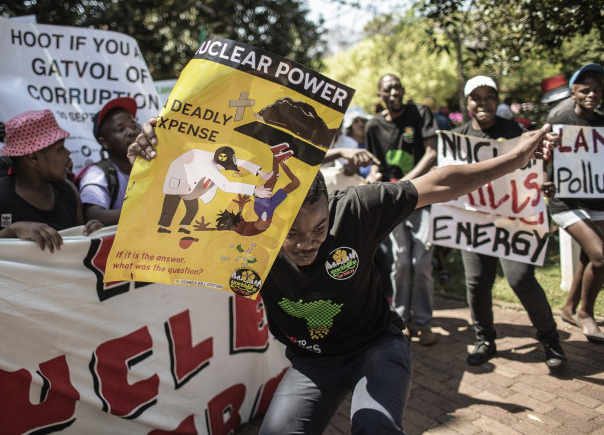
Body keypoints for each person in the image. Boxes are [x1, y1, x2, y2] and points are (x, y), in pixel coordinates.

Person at [128, 114, 559, 433]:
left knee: (375, 429)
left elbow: (440, 183)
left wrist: (515, 158)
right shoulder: (239, 235)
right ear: (267, 225)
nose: (307, 244)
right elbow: (159, 219)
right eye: (291, 235)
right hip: (312, 363)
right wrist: (153, 156)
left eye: (318, 229)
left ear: (330, 208)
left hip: (377, 346)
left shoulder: (357, 208)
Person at [454, 76, 566, 367]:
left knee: (520, 278)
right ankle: (485, 339)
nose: (483, 103)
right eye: (475, 97)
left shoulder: (515, 131)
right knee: (477, 282)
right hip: (474, 221)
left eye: (489, 96)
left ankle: (551, 340)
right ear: (467, 103)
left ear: (497, 100)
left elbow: (534, 164)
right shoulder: (457, 138)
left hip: (512, 220)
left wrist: (542, 181)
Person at [0, 109, 102, 252]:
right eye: (60, 149)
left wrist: (93, 233)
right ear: (33, 157)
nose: (68, 153)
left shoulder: (68, 191)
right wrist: (12, 231)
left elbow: (81, 250)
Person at [365, 74, 439, 346]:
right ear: (380, 95)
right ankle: (401, 320)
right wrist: (373, 178)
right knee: (402, 262)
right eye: (388, 88)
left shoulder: (420, 113)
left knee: (422, 262)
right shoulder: (374, 126)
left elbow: (431, 154)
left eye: (398, 86)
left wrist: (408, 184)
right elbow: (375, 165)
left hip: (421, 196)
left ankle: (425, 322)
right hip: (392, 203)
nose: (395, 91)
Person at [547, 63, 604, 343]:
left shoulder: (602, 124)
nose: (592, 94)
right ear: (573, 92)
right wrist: (545, 178)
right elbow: (542, 155)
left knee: (589, 255)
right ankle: (585, 313)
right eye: (585, 90)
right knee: (600, 255)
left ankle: (569, 308)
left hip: (596, 199)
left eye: (597, 90)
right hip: (565, 200)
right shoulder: (560, 118)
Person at [76, 97, 139, 226]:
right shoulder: (98, 174)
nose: (131, 132)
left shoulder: (151, 165)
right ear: (104, 142)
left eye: (133, 126)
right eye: (120, 130)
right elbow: (94, 214)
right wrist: (143, 212)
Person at [323, 105, 375, 179]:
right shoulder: (317, 140)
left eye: (363, 121)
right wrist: (340, 153)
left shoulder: (352, 144)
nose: (360, 124)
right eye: (356, 121)